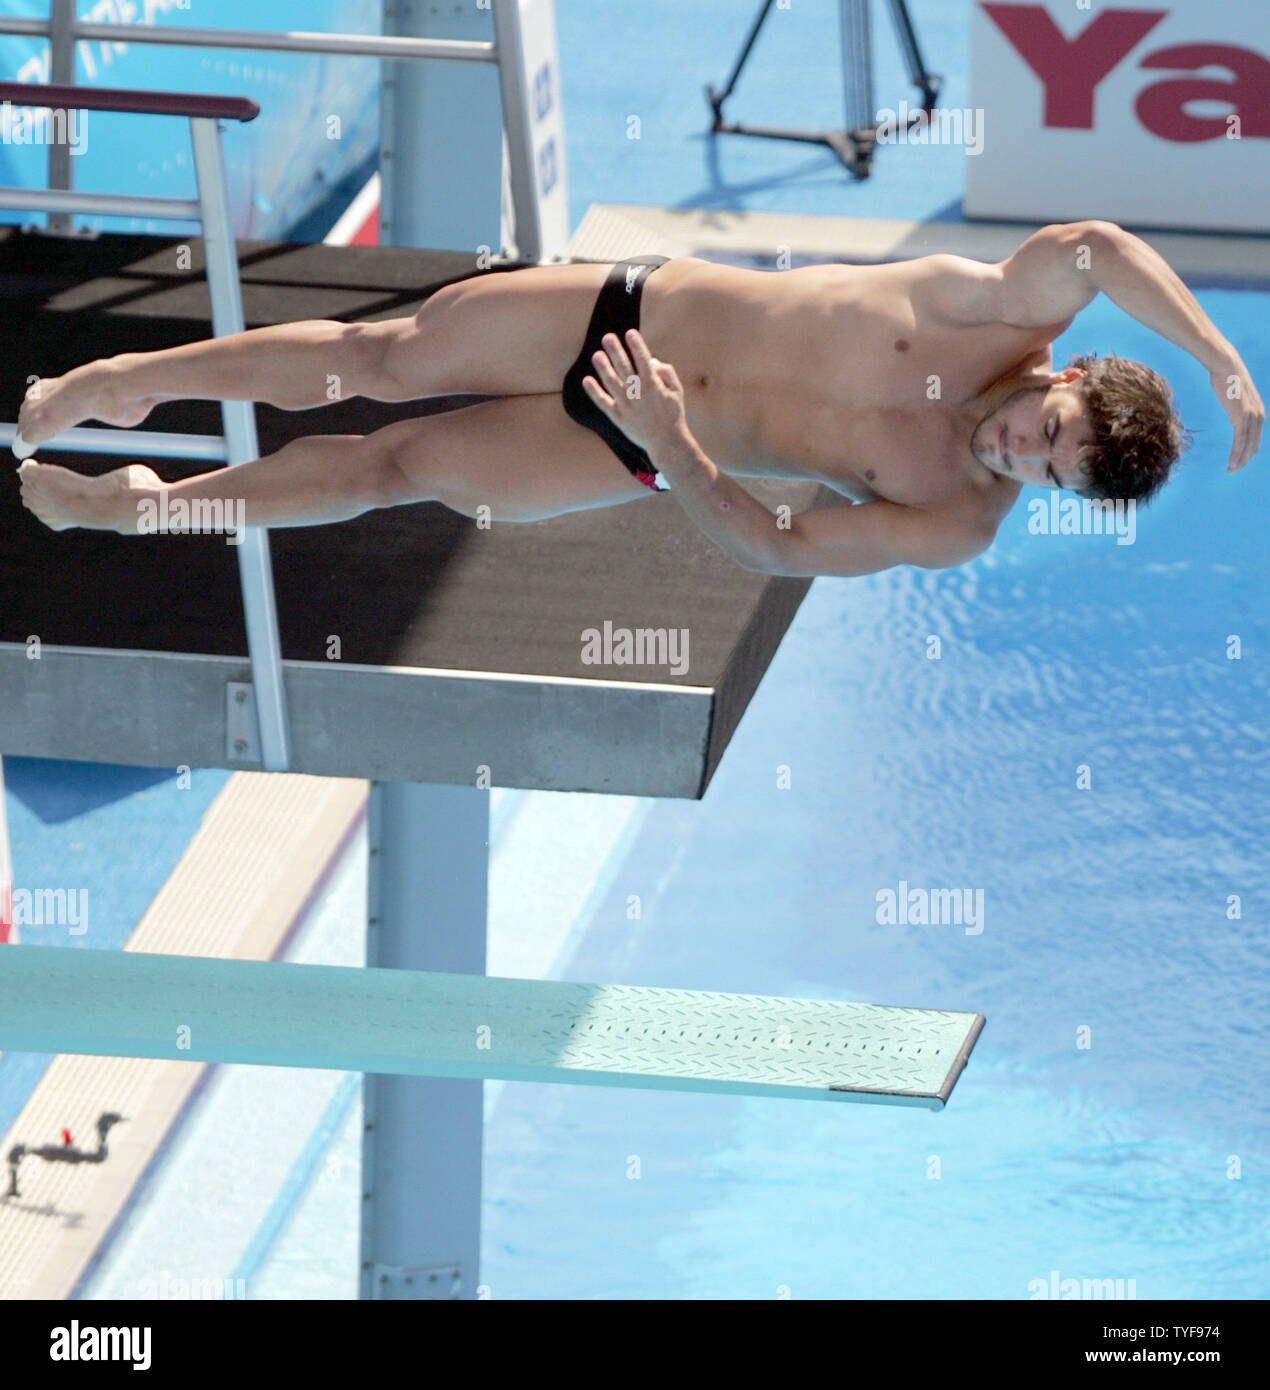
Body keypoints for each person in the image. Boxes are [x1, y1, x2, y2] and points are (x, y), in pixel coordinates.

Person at [15, 219, 1262, 576]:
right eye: (1040, 431)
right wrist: (1219, 358)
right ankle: (120, 381)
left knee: (386, 472)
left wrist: (676, 444)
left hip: (636, 438)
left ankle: (135, 512)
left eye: (1040, 474)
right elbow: (1097, 247)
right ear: (1066, 376)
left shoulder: (952, 521)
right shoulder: (991, 305)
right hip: (627, 310)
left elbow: (775, 547)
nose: (1010, 453)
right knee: (380, 357)